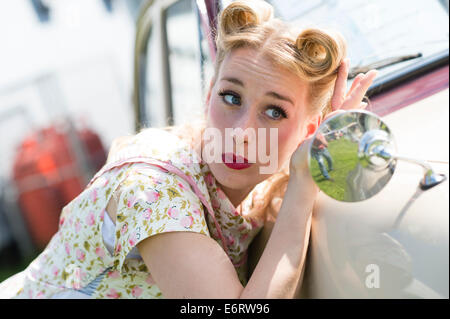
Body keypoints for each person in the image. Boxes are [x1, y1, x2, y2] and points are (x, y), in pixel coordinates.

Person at [0, 0, 377, 299]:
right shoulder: (153, 189)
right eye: (231, 97)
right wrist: (304, 182)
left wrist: (331, 144)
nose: (242, 132)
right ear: (210, 89)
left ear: (307, 130)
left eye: (274, 111)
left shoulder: (254, 180)